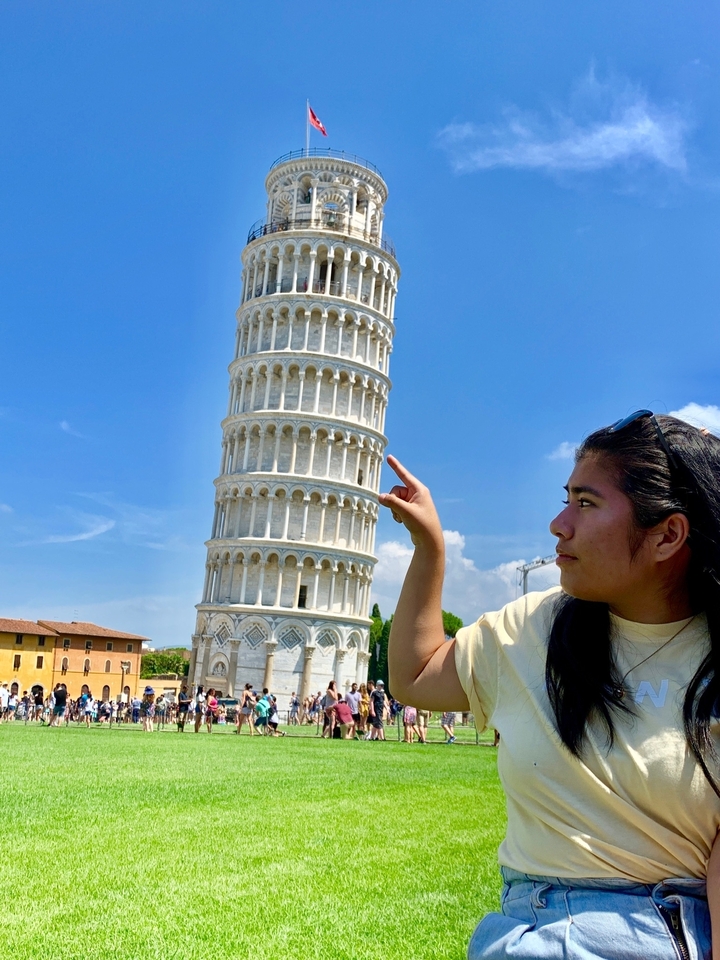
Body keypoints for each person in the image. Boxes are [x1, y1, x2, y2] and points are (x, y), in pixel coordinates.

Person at [379, 416, 720, 960]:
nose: (559, 524)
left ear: (667, 536)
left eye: (586, 503)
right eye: (566, 499)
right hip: (522, 929)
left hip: (664, 932)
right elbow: (416, 677)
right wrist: (430, 550)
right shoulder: (533, 626)